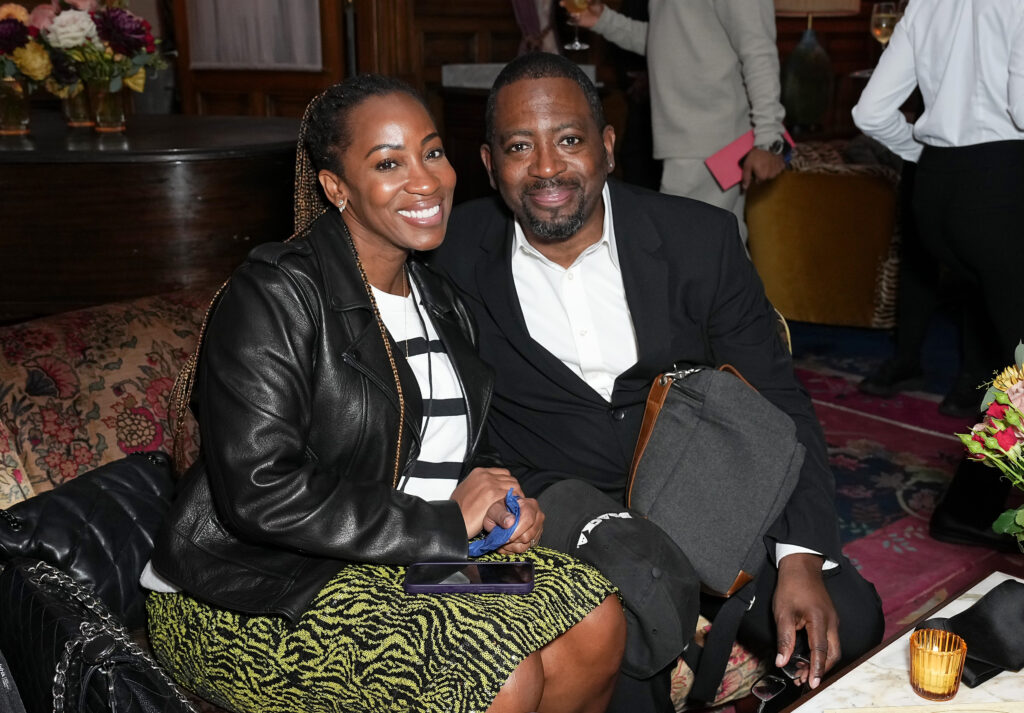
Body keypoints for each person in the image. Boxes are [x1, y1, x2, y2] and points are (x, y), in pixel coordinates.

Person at [143, 75, 626, 713]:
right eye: (387, 163)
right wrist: (448, 521)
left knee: (593, 615)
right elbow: (260, 491)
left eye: (431, 152)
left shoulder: (444, 303)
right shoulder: (275, 294)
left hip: (403, 565)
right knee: (496, 671)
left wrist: (503, 504)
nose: (425, 181)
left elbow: (446, 456)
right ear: (335, 187)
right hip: (254, 589)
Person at [430, 52, 883, 713]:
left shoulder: (699, 239)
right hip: (568, 529)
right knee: (624, 669)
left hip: (705, 500)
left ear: (608, 146)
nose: (548, 167)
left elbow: (778, 400)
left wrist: (800, 554)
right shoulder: (447, 253)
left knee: (850, 616)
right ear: (489, 162)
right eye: (520, 147)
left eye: (570, 140)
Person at [852, 0, 1024, 552]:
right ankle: (970, 507)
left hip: (938, 192)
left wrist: (925, 157)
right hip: (1002, 186)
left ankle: (970, 507)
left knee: (1009, 363)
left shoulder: (927, 3)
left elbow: (871, 112)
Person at [566, 0, 787, 241]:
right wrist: (604, 21)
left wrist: (768, 140)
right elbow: (668, 41)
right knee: (717, 250)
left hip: (710, 142)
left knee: (683, 249)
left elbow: (758, 51)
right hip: (689, 140)